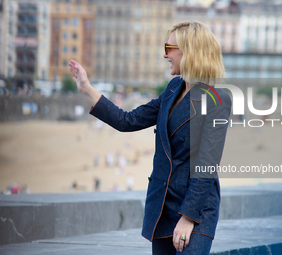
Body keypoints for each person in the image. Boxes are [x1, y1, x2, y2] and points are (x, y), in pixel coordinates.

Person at [69, 21, 231, 255]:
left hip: (195, 213)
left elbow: (206, 166)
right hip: (163, 208)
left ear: (190, 51)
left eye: (170, 47)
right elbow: (128, 121)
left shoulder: (217, 99)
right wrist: (86, 87)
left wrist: (187, 217)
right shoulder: (173, 89)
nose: (165, 54)